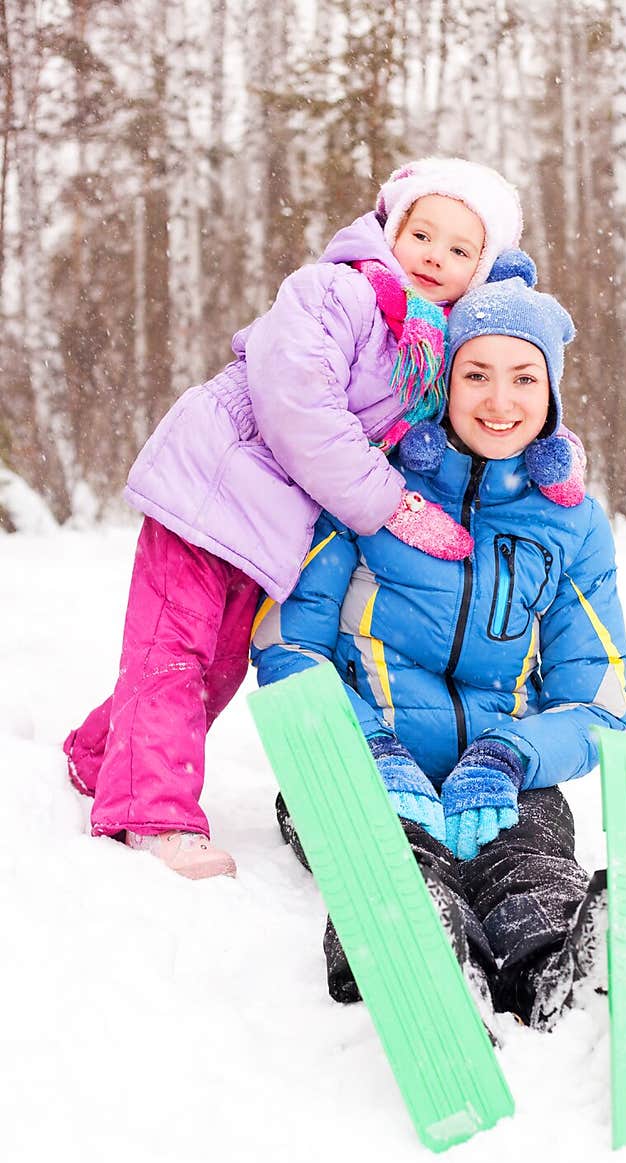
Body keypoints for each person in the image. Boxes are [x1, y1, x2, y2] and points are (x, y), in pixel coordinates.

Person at [64, 158, 582, 881]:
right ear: (389, 228)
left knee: (215, 666)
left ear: (481, 272)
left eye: (460, 249)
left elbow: (479, 421)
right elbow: (297, 404)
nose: (435, 255)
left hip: (274, 526)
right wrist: (389, 504)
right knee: (170, 654)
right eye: (422, 233)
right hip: (211, 489)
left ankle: (99, 756)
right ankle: (151, 814)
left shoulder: (429, 352)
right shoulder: (334, 291)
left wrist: (547, 453)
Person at [250, 272, 626, 1032]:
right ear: (443, 382)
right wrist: (370, 750)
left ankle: (559, 971)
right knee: (396, 863)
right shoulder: (368, 487)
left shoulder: (572, 525)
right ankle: (420, 954)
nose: (500, 400)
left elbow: (600, 697)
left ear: (550, 393)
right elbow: (288, 644)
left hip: (504, 778)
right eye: (477, 375)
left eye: (524, 378)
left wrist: (511, 754)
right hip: (356, 769)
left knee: (529, 868)